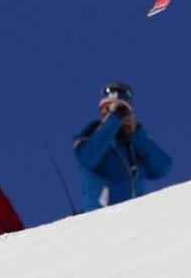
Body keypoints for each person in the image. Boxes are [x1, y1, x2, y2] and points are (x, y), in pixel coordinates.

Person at [73, 83, 172, 212]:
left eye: (120, 110)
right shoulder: (91, 135)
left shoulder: (134, 146)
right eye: (107, 108)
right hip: (99, 217)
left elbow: (162, 168)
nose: (111, 113)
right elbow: (88, 157)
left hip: (132, 218)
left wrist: (136, 135)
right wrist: (113, 121)